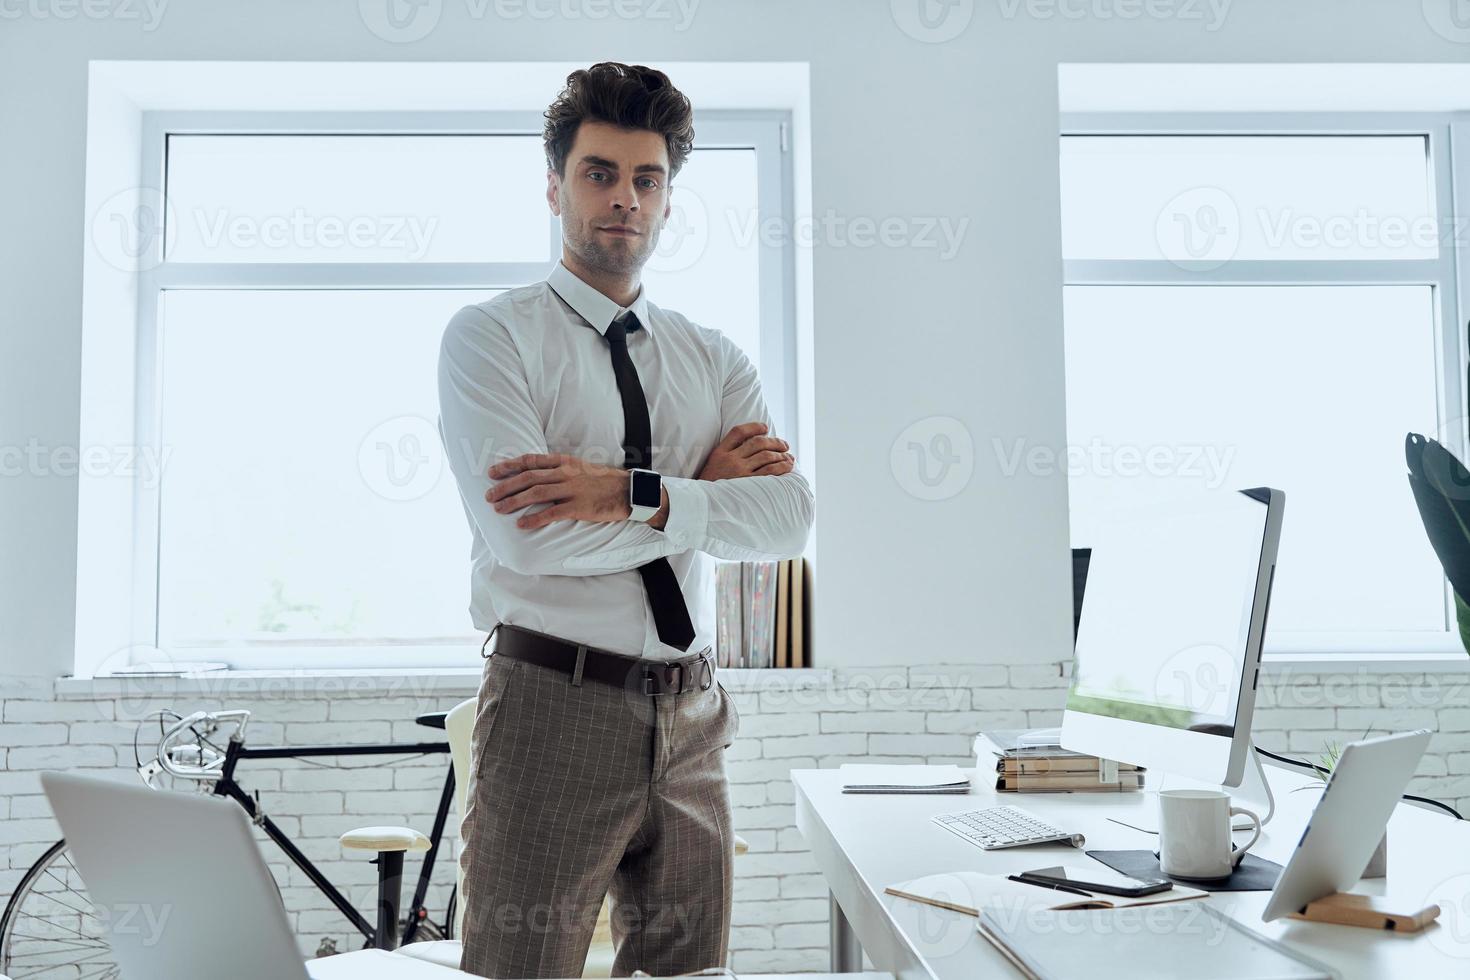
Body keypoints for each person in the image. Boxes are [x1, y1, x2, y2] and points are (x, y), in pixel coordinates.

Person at [436, 61, 815, 979]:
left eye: (647, 179)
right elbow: (528, 536)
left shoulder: (712, 357)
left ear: (670, 199)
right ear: (556, 185)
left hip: (693, 713)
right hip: (550, 709)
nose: (624, 199)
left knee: (689, 977)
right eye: (599, 173)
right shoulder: (492, 337)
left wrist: (627, 491)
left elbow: (787, 522)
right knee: (517, 971)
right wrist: (698, 491)